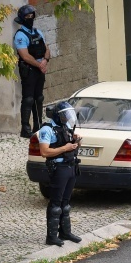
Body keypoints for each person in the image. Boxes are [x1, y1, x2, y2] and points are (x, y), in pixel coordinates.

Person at [38, 101, 82, 246]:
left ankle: (65, 232)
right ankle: (51, 236)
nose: (67, 118)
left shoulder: (66, 126)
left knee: (66, 203)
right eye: (64, 115)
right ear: (58, 116)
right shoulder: (47, 129)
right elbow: (44, 152)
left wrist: (76, 141)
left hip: (70, 166)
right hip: (59, 168)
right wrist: (65, 148)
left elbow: (70, 141)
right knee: (56, 203)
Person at [13, 4, 51, 138]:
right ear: (22, 19)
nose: (30, 18)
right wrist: (39, 65)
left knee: (38, 98)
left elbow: (47, 48)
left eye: (32, 16)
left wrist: (45, 60)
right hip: (29, 70)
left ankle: (38, 124)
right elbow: (25, 55)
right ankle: (25, 128)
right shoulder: (20, 35)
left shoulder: (38, 32)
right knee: (28, 99)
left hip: (40, 68)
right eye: (28, 16)